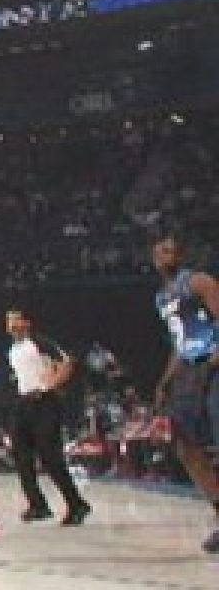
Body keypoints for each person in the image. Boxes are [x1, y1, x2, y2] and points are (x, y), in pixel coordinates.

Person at [149, 234, 219, 553]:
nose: (164, 255)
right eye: (159, 251)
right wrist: (165, 381)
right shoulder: (162, 297)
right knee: (185, 446)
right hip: (188, 370)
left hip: (212, 365)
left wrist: (212, 362)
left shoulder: (199, 282)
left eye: (169, 250)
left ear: (181, 254)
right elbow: (180, 343)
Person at [3, 308, 89, 525]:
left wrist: (50, 385)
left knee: (50, 457)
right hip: (23, 402)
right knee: (21, 456)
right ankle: (37, 504)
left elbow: (67, 362)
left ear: (26, 322)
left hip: (44, 402)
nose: (11, 324)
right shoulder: (13, 349)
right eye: (9, 320)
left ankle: (76, 503)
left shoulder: (39, 342)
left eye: (15, 319)